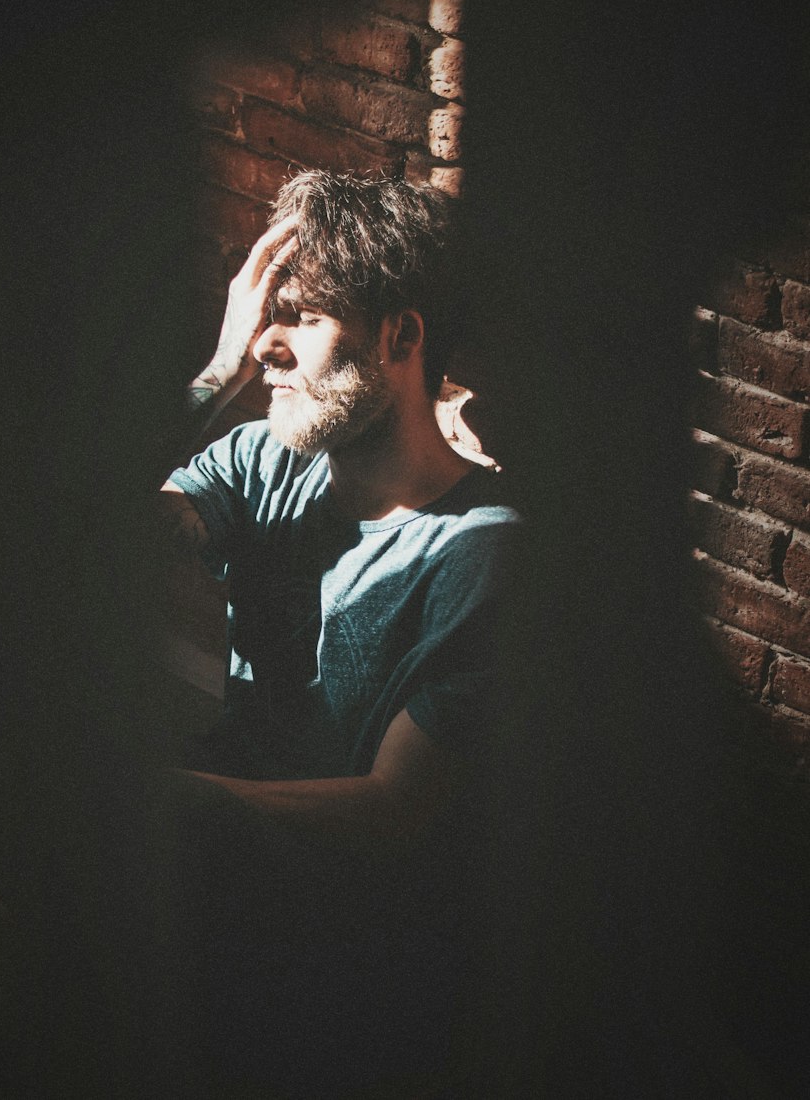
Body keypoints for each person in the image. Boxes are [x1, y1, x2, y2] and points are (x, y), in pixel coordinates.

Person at [161, 170, 523, 1093]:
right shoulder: (265, 457)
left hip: (350, 914)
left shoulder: (481, 555)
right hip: (226, 827)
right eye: (260, 320)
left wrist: (178, 802)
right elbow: (83, 543)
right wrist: (215, 374)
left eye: (304, 317)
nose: (267, 350)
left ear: (401, 335)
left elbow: (399, 811)